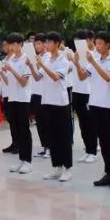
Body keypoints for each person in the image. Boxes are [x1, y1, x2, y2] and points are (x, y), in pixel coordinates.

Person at [84, 30, 110, 189]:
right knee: (103, 141)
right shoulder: (95, 59)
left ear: (108, 44)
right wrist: (76, 61)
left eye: (100, 43)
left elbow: (108, 78)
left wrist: (94, 63)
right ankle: (108, 172)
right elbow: (82, 76)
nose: (97, 46)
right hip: (95, 104)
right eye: (96, 44)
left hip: (109, 106)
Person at [36, 32, 74, 182]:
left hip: (60, 102)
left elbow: (55, 77)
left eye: (50, 42)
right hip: (47, 101)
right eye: (46, 42)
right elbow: (38, 77)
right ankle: (56, 166)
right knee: (52, 137)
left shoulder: (63, 60)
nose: (47, 45)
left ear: (58, 44)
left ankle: (67, 168)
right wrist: (32, 67)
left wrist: (43, 66)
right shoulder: (45, 58)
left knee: (63, 136)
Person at [1, 33, 34, 174]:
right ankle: (21, 159)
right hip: (13, 98)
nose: (12, 47)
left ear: (21, 44)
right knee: (17, 129)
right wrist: (2, 73)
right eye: (10, 44)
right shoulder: (12, 59)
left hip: (23, 99)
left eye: (15, 44)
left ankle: (28, 161)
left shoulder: (26, 59)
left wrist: (11, 70)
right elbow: (9, 82)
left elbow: (23, 81)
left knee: (24, 130)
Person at [69, 29, 99, 164]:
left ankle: (93, 150)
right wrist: (73, 60)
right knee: (82, 122)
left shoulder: (94, 55)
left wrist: (76, 62)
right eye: (78, 41)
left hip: (89, 92)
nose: (81, 44)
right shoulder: (76, 54)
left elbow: (85, 74)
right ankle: (88, 149)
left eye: (85, 40)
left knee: (90, 123)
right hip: (77, 91)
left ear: (91, 39)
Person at [28, 33, 50, 159]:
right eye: (35, 44)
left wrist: (36, 63)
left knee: (47, 121)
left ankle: (50, 147)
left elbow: (40, 74)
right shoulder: (35, 57)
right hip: (35, 92)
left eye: (39, 43)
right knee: (40, 122)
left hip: (45, 93)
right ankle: (44, 146)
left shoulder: (47, 57)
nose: (37, 46)